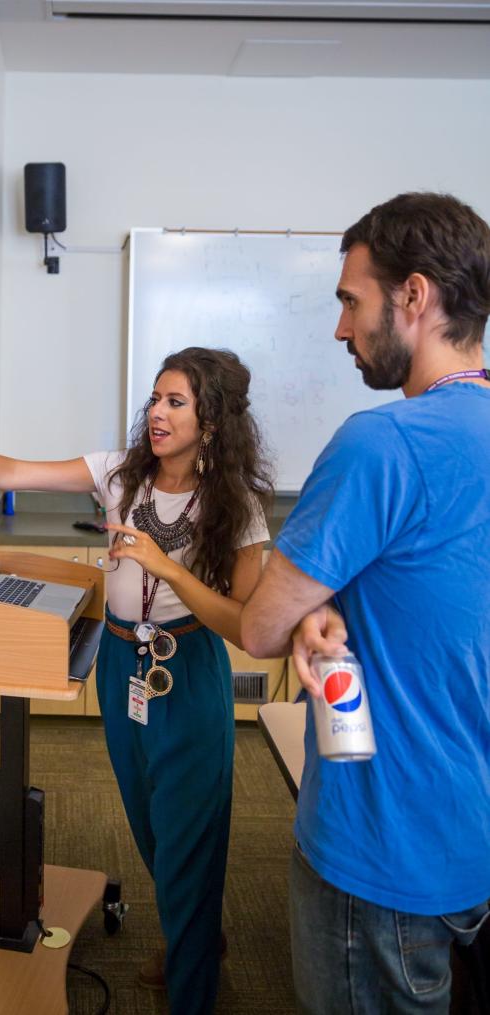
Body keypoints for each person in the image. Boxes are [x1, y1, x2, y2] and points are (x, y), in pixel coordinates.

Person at [0, 346, 272, 1015]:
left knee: (191, 835)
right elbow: (12, 468)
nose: (156, 414)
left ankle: (194, 983)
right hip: (119, 666)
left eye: (176, 402)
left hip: (187, 671)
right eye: (155, 399)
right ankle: (194, 933)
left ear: (213, 421)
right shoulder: (120, 473)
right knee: (153, 828)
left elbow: (247, 625)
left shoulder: (238, 506)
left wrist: (167, 569)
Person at [240, 192, 490, 1014]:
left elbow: (261, 624)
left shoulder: (383, 443)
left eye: (352, 301)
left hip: (384, 850)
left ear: (414, 297)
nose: (341, 329)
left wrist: (304, 606)